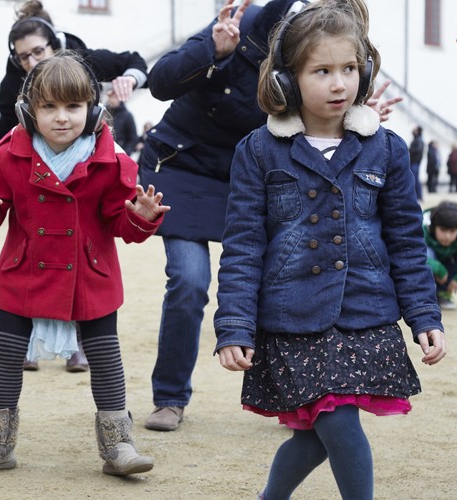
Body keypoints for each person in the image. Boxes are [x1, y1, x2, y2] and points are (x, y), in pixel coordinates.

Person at [213, 1, 446, 498]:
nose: (339, 84)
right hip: (292, 319)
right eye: (322, 71)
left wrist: (425, 316)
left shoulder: (386, 149)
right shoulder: (258, 150)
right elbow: (243, 246)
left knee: (319, 431)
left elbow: (406, 242)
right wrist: (234, 324)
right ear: (286, 79)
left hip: (365, 314)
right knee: (334, 424)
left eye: (348, 69)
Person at [136, 0, 401, 433]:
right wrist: (214, 52)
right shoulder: (248, 20)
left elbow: (321, 111)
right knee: (189, 280)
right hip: (187, 165)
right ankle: (170, 396)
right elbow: (161, 81)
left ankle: (299, 392)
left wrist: (357, 117)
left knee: (290, 273)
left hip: (259, 171)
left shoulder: (325, 47)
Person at [0, 53, 168, 478]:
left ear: (93, 110)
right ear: (30, 111)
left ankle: (118, 444)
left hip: (90, 274)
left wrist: (141, 216)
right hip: (24, 269)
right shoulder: (8, 154)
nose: (62, 118)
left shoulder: (113, 161)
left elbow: (120, 224)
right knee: (6, 357)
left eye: (73, 106)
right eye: (49, 107)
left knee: (106, 358)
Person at [0, 0, 148, 149]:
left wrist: (130, 79)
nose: (31, 63)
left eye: (38, 51)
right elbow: (3, 140)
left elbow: (133, 61)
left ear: (55, 43)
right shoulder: (12, 83)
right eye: (23, 57)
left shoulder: (83, 60)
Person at [408, 126, 424, 202]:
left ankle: (419, 196)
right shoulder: (417, 139)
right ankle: (418, 196)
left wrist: (410, 149)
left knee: (415, 179)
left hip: (415, 162)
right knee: (414, 179)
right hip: (414, 162)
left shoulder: (419, 140)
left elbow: (418, 150)